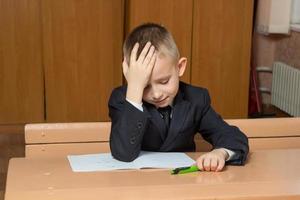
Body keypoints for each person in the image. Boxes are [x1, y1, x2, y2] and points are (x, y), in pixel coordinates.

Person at [108, 23, 249, 172]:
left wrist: (220, 153)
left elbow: (232, 136)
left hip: (182, 182)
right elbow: (123, 153)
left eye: (164, 81)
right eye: (145, 86)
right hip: (140, 186)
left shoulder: (196, 99)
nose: (156, 94)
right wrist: (134, 90)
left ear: (180, 67)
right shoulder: (122, 99)